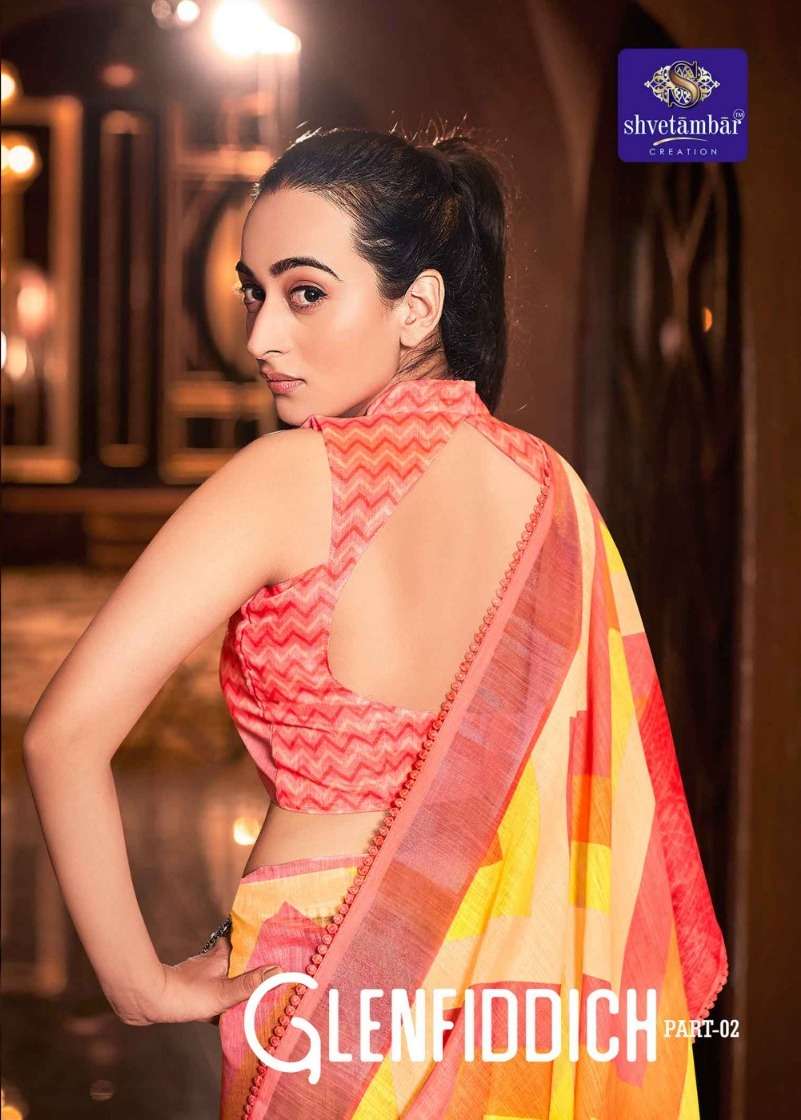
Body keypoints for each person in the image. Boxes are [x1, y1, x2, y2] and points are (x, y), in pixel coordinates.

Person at [23, 125, 727, 1120]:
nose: (261, 337)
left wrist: (141, 986)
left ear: (419, 305)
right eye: (254, 293)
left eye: (305, 292)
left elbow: (62, 736)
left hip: (321, 978)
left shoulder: (287, 480)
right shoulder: (554, 494)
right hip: (516, 993)